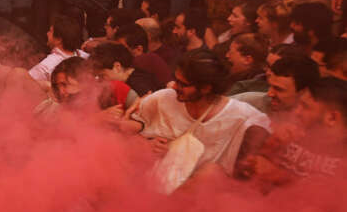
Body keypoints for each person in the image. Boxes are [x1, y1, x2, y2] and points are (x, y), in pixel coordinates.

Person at [115, 49, 272, 181]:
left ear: (205, 88)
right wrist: (146, 145)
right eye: (176, 80)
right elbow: (129, 133)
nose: (174, 86)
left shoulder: (241, 117)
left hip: (198, 200)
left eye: (183, 84)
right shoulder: (162, 99)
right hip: (145, 181)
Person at [240, 78, 347, 187]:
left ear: (332, 118)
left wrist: (278, 175)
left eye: (305, 107)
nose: (296, 112)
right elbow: (258, 166)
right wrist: (258, 159)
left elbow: (329, 198)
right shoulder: (290, 135)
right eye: (299, 104)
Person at [28, 15, 88, 83]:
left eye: (50, 31)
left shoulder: (46, 66)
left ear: (59, 39)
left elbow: (24, 82)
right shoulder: (87, 58)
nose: (47, 33)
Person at [90, 42, 161, 95]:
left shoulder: (137, 84)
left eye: (102, 76)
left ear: (117, 67)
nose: (101, 81)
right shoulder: (137, 75)